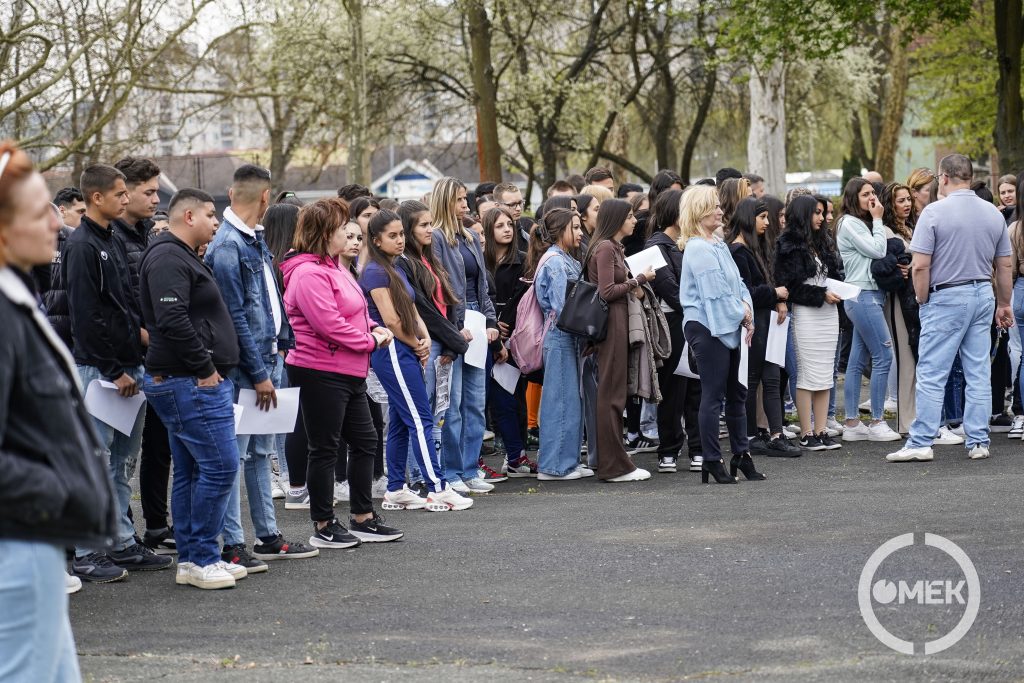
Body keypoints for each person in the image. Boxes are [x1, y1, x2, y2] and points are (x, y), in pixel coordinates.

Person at [0, 140, 117, 680]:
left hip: (34, 542)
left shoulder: (18, 301)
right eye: (36, 211)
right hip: (16, 547)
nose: (54, 222)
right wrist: (64, 487)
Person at [139, 188, 256, 589]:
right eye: (210, 215)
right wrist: (205, 368)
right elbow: (171, 318)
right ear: (188, 217)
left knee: (191, 470)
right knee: (222, 466)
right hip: (191, 381)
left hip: (188, 378)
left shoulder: (181, 255)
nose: (216, 222)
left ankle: (191, 558)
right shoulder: (169, 256)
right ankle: (205, 556)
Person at [205, 164, 314, 570]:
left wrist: (281, 350)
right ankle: (233, 542)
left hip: (269, 358)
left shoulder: (255, 240)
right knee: (236, 455)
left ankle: (267, 534)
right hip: (248, 368)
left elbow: (270, 304)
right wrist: (261, 372)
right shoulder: (229, 246)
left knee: (260, 451)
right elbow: (234, 318)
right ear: (266, 198)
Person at [64, 164, 170, 580]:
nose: (127, 199)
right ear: (97, 198)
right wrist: (112, 369)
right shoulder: (82, 245)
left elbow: (122, 308)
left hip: (127, 367)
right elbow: (85, 315)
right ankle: (89, 550)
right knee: (96, 460)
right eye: (120, 193)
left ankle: (122, 542)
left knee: (120, 463)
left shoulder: (110, 239)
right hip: (100, 371)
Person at [888, 154, 1014, 463]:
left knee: (932, 371)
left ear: (944, 178)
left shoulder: (933, 212)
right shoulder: (993, 214)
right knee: (978, 371)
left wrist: (921, 299)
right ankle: (978, 440)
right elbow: (1005, 264)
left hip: (945, 295)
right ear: (970, 177)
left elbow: (919, 266)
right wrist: (1005, 302)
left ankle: (920, 441)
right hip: (982, 291)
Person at [361, 209, 474, 512]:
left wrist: (422, 339)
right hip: (392, 352)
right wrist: (417, 343)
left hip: (407, 348)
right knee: (421, 419)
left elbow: (412, 310)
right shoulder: (374, 271)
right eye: (392, 236)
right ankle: (436, 487)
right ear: (376, 239)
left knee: (401, 420)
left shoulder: (396, 266)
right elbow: (392, 321)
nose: (400, 240)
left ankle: (396, 488)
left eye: (401, 234)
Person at [111, 156, 177, 553]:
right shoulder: (112, 239)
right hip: (130, 358)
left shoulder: (145, 236)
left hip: (154, 356)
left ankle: (155, 524)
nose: (155, 199)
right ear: (125, 191)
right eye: (148, 192)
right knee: (121, 457)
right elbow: (117, 305)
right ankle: (121, 532)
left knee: (158, 446)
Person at [678, 185, 761, 483]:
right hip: (705, 325)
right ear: (699, 212)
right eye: (713, 206)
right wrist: (744, 314)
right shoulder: (698, 248)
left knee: (737, 393)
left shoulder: (718, 243)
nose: (720, 210)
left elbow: (737, 285)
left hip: (728, 322)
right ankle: (711, 459)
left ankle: (742, 455)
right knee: (713, 395)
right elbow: (714, 294)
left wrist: (745, 311)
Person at [429, 177, 500, 493]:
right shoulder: (436, 239)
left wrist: (491, 320)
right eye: (459, 200)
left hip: (477, 320)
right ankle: (452, 471)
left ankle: (470, 468)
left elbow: (482, 285)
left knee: (475, 401)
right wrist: (451, 332)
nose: (465, 205)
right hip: (454, 322)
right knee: (453, 402)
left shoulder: (471, 236)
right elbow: (442, 288)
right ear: (446, 202)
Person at [585, 199, 656, 482]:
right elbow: (605, 291)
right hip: (610, 324)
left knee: (614, 394)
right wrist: (638, 280)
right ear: (616, 220)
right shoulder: (604, 248)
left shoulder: (611, 247)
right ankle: (614, 466)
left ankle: (616, 462)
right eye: (629, 216)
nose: (634, 220)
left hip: (618, 322)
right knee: (611, 395)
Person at [727, 197, 801, 456]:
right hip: (754, 322)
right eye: (763, 218)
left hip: (766, 320)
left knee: (771, 378)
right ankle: (751, 435)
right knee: (754, 379)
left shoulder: (751, 248)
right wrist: (776, 293)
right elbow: (745, 292)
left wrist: (777, 297)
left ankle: (775, 433)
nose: (768, 223)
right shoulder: (737, 251)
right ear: (749, 218)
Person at [774, 195, 843, 451]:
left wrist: (837, 290)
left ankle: (822, 429)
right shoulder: (787, 244)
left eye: (822, 212)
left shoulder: (822, 241)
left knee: (826, 373)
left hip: (828, 312)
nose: (821, 217)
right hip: (806, 312)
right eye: (815, 212)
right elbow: (789, 286)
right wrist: (820, 294)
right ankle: (806, 432)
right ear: (803, 214)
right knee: (806, 373)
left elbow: (833, 275)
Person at [835, 178, 902, 442]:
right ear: (853, 197)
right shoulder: (850, 223)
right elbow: (877, 250)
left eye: (873, 192)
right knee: (884, 356)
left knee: (856, 360)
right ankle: (876, 421)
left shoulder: (856, 222)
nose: (872, 198)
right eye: (865, 194)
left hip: (866, 295)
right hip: (863, 296)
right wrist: (877, 220)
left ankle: (852, 423)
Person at [645, 188, 705, 472]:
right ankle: (668, 449)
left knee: (697, 387)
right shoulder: (654, 246)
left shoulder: (691, 242)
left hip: (694, 321)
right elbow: (669, 289)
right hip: (672, 324)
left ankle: (698, 448)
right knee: (672, 388)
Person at [532, 209, 589, 480]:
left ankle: (567, 461)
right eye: (575, 228)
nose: (580, 233)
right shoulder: (555, 261)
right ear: (560, 231)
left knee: (569, 400)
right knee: (560, 401)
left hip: (567, 336)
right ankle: (554, 466)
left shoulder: (564, 258)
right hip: (561, 336)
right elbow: (562, 306)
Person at [481, 206, 534, 476]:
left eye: (509, 225)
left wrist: (504, 326)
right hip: (482, 336)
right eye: (499, 225)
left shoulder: (523, 260)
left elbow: (523, 298)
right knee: (483, 402)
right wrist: (490, 324)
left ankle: (516, 455)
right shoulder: (479, 260)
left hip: (514, 339)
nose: (506, 229)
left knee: (511, 400)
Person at [876, 182, 924, 438]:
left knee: (917, 359)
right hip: (897, 300)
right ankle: (907, 421)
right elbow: (888, 263)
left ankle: (917, 416)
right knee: (905, 358)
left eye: (908, 199)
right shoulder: (884, 231)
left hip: (917, 299)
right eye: (900, 200)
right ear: (890, 204)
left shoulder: (913, 228)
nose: (906, 204)